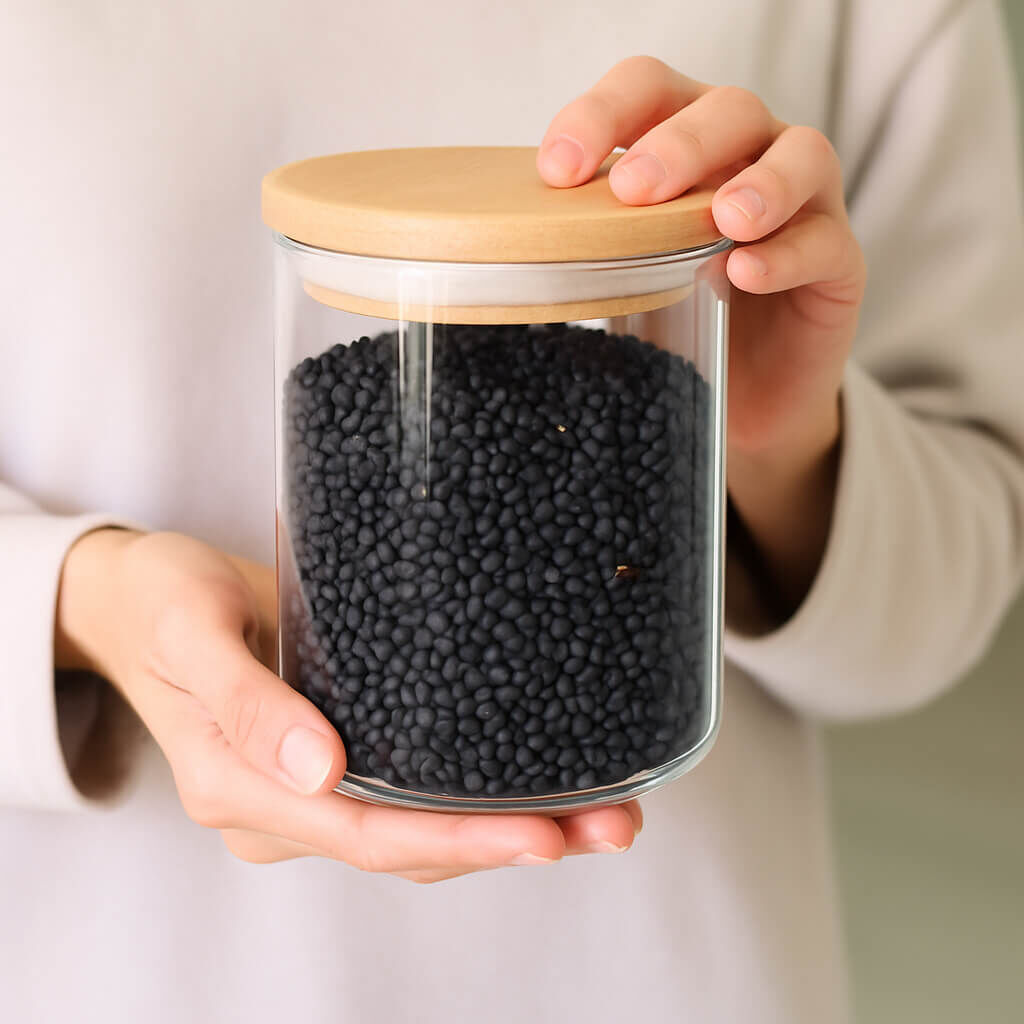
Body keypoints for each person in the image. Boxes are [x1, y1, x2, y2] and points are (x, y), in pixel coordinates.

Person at [1, 0, 1021, 1021]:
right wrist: (82, 599)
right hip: (120, 957)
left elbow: (956, 575)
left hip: (660, 964)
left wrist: (777, 441)